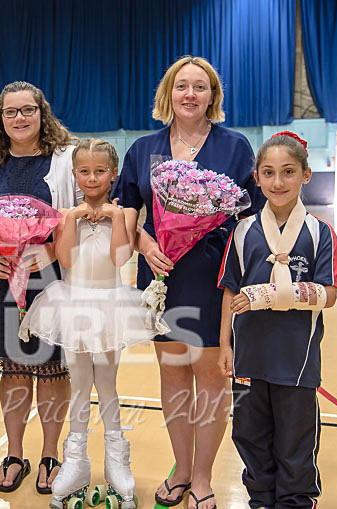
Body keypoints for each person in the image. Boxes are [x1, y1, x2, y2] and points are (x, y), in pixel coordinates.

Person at [111, 55, 263, 509]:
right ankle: (180, 468)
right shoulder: (144, 148)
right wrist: (142, 242)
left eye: (200, 87)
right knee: (174, 377)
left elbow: (248, 219)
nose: (190, 94)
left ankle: (202, 477)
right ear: (169, 94)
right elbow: (127, 209)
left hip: (214, 278)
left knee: (211, 381)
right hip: (161, 276)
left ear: (212, 96)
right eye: (182, 86)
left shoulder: (235, 147)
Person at [217, 132, 337, 509]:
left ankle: (295, 501)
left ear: (306, 175)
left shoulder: (320, 233)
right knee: (250, 436)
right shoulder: (242, 232)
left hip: (297, 359)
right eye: (269, 173)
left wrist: (268, 295)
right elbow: (229, 291)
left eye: (288, 172)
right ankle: (260, 500)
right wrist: (225, 345)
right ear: (256, 177)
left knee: (295, 441)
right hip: (248, 358)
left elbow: (330, 294)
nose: (278, 182)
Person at [18, 139, 150, 509]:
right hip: (73, 303)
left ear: (113, 174)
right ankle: (75, 461)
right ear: (75, 174)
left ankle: (116, 463)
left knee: (107, 385)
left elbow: (120, 256)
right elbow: (65, 260)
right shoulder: (66, 214)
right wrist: (72, 218)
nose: (92, 178)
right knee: (78, 386)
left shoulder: (124, 215)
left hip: (109, 305)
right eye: (84, 171)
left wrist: (113, 217)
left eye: (100, 171)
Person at [0, 81, 80, 494]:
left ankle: (51, 453)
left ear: (41, 112)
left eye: (28, 110)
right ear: (1, 117)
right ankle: (15, 453)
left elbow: (79, 214)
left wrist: (50, 253)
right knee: (14, 370)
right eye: (11, 111)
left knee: (52, 370)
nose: (20, 118)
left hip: (51, 280)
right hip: (0, 280)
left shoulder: (65, 158)